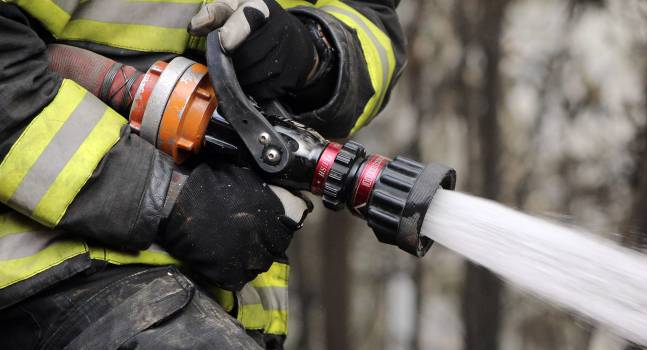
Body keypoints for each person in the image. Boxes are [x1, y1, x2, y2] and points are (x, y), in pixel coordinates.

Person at [0, 0, 405, 348]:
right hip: (43, 277)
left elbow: (372, 23)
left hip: (225, 306)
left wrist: (314, 52)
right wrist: (165, 196)